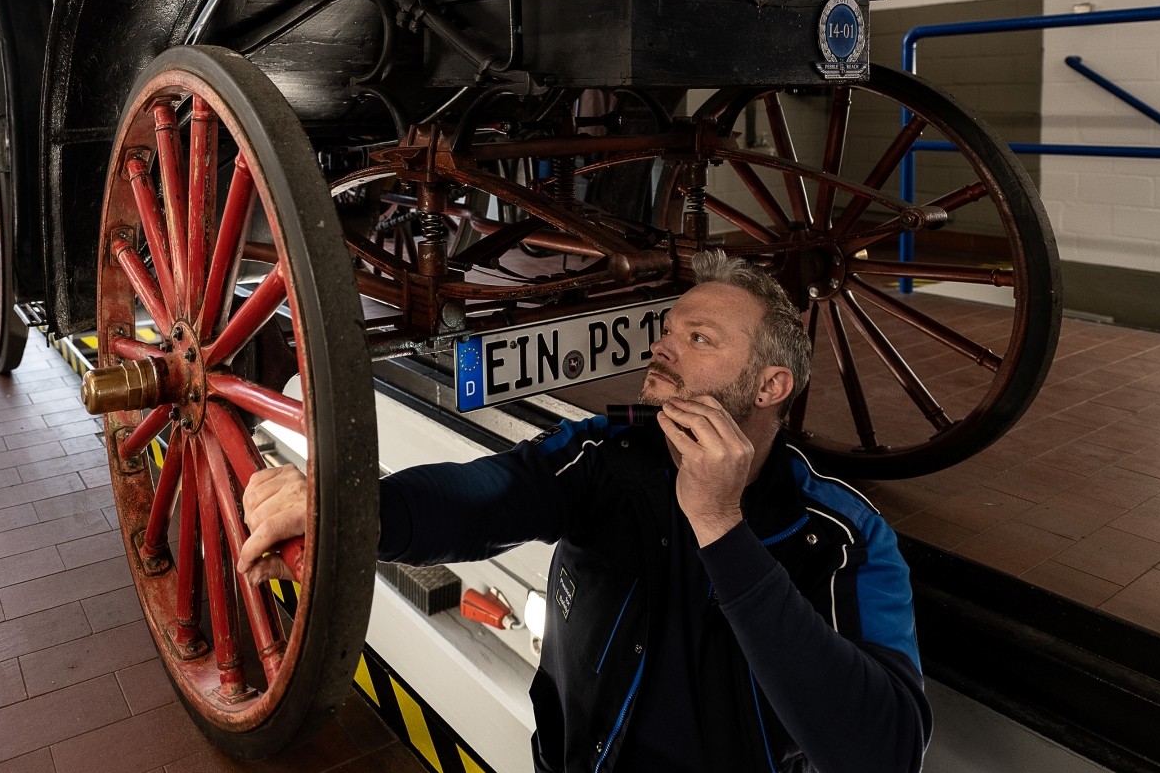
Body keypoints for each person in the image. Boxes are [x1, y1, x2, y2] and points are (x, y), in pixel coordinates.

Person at [238, 250, 930, 773]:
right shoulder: (609, 454)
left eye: (700, 338)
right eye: (668, 329)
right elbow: (489, 494)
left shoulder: (843, 537)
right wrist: (359, 512)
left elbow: (883, 750)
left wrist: (722, 527)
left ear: (771, 385)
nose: (662, 345)